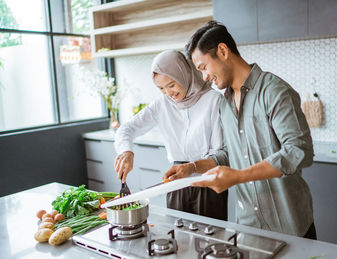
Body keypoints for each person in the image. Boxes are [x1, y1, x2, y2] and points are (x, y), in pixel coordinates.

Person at [163, 21, 316, 239]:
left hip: (289, 228)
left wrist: (239, 176)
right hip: (249, 228)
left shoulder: (274, 91)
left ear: (223, 51)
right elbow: (230, 154)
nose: (204, 77)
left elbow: (298, 151)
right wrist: (193, 167)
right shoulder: (224, 104)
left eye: (203, 67)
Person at [114, 49, 228, 220]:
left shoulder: (214, 100)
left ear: (184, 74)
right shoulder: (162, 104)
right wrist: (126, 152)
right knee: (177, 236)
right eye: (161, 88)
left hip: (208, 179)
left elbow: (222, 152)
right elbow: (126, 129)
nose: (169, 93)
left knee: (210, 238)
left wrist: (192, 167)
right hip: (175, 181)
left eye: (172, 85)